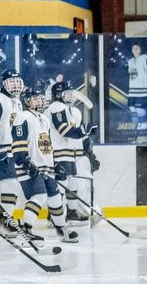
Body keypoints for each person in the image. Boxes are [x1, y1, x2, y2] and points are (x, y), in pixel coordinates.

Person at [12, 85, 78, 243]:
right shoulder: (22, 117)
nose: (39, 100)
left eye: (40, 97)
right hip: (29, 167)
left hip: (46, 167)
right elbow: (18, 143)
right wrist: (25, 161)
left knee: (55, 197)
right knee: (39, 195)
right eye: (35, 98)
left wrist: (55, 165)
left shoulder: (44, 119)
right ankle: (26, 228)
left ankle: (62, 229)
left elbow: (48, 145)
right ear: (27, 101)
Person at [0, 67, 28, 238]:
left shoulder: (17, 101)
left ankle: (6, 218)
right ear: (3, 83)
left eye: (17, 81)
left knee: (14, 185)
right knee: (10, 184)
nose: (15, 84)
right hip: (2, 149)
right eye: (11, 81)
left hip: (14, 150)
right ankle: (4, 221)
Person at [47, 80, 93, 223]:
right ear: (58, 94)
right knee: (62, 185)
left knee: (72, 184)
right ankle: (54, 216)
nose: (69, 96)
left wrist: (88, 151)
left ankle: (71, 213)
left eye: (70, 93)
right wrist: (82, 130)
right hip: (59, 153)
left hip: (70, 153)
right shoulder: (56, 107)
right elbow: (64, 130)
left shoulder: (70, 110)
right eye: (66, 93)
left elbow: (77, 135)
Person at [126, 41, 147, 119]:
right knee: (132, 109)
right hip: (132, 92)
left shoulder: (145, 58)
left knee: (140, 112)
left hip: (143, 92)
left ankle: (143, 124)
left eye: (137, 48)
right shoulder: (130, 61)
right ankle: (136, 126)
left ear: (140, 50)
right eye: (133, 48)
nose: (135, 49)